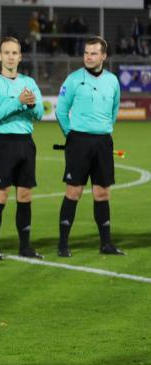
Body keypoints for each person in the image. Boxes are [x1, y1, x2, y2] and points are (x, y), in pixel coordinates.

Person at [55, 36, 124, 257]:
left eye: (93, 53)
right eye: (86, 53)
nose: (88, 57)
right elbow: (61, 111)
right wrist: (71, 135)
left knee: (102, 193)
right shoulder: (73, 79)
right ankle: (63, 244)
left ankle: (106, 244)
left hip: (103, 142)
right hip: (79, 142)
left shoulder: (113, 81)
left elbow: (114, 110)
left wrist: (103, 129)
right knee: (73, 192)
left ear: (103, 56)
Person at [0, 37, 44, 260]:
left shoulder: (29, 82)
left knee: (25, 196)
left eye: (14, 53)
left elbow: (39, 114)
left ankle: (25, 247)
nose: (10, 56)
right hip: (4, 143)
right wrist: (18, 101)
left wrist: (32, 104)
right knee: (0, 195)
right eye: (6, 52)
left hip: (26, 142)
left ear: (20, 56)